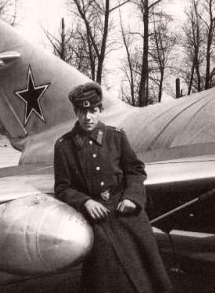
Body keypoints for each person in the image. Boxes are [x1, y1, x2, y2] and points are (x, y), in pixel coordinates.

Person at [54, 82, 172, 293]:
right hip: (97, 216)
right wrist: (85, 201)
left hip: (127, 212)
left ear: (100, 110)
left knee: (147, 269)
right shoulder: (64, 146)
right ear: (75, 112)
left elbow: (135, 171)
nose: (87, 117)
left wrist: (132, 198)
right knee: (107, 271)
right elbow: (63, 187)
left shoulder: (116, 137)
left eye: (92, 110)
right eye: (82, 111)